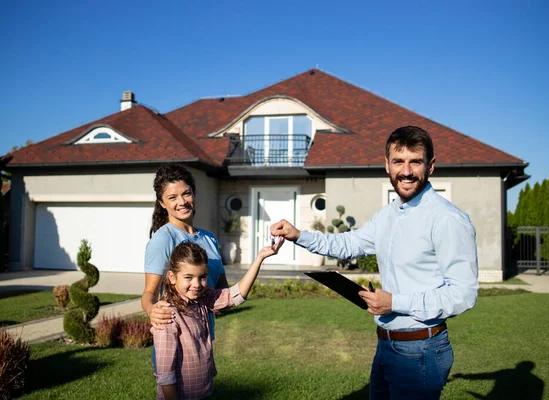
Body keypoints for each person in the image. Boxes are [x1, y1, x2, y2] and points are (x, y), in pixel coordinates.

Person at [271, 126, 479, 399]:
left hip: (422, 350)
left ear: (431, 166)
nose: (406, 171)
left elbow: (463, 294)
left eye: (415, 162)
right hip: (386, 346)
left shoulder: (448, 220)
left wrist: (395, 303)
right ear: (387, 166)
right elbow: (347, 244)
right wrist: (298, 235)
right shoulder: (387, 215)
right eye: (398, 162)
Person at [152, 238, 284, 399]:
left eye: (202, 277)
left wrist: (260, 258)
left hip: (203, 392)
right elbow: (165, 374)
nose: (197, 284)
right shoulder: (167, 314)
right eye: (188, 277)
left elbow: (235, 295)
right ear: (172, 277)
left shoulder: (202, 298)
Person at [142, 164, 229, 369]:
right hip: (175, 340)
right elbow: (149, 292)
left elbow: (221, 289)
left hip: (203, 336)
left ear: (193, 193)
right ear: (162, 203)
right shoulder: (163, 239)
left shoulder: (209, 237)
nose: (181, 202)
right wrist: (151, 309)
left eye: (186, 194)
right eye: (172, 197)